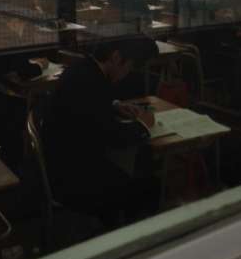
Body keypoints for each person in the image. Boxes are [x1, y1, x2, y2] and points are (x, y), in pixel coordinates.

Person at [42, 37, 159, 226]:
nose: (127, 74)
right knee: (149, 188)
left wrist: (114, 105)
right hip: (72, 178)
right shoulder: (91, 82)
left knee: (133, 172)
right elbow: (113, 137)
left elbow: (90, 111)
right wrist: (143, 126)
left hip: (60, 161)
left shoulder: (83, 68)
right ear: (116, 57)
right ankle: (126, 236)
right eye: (129, 67)